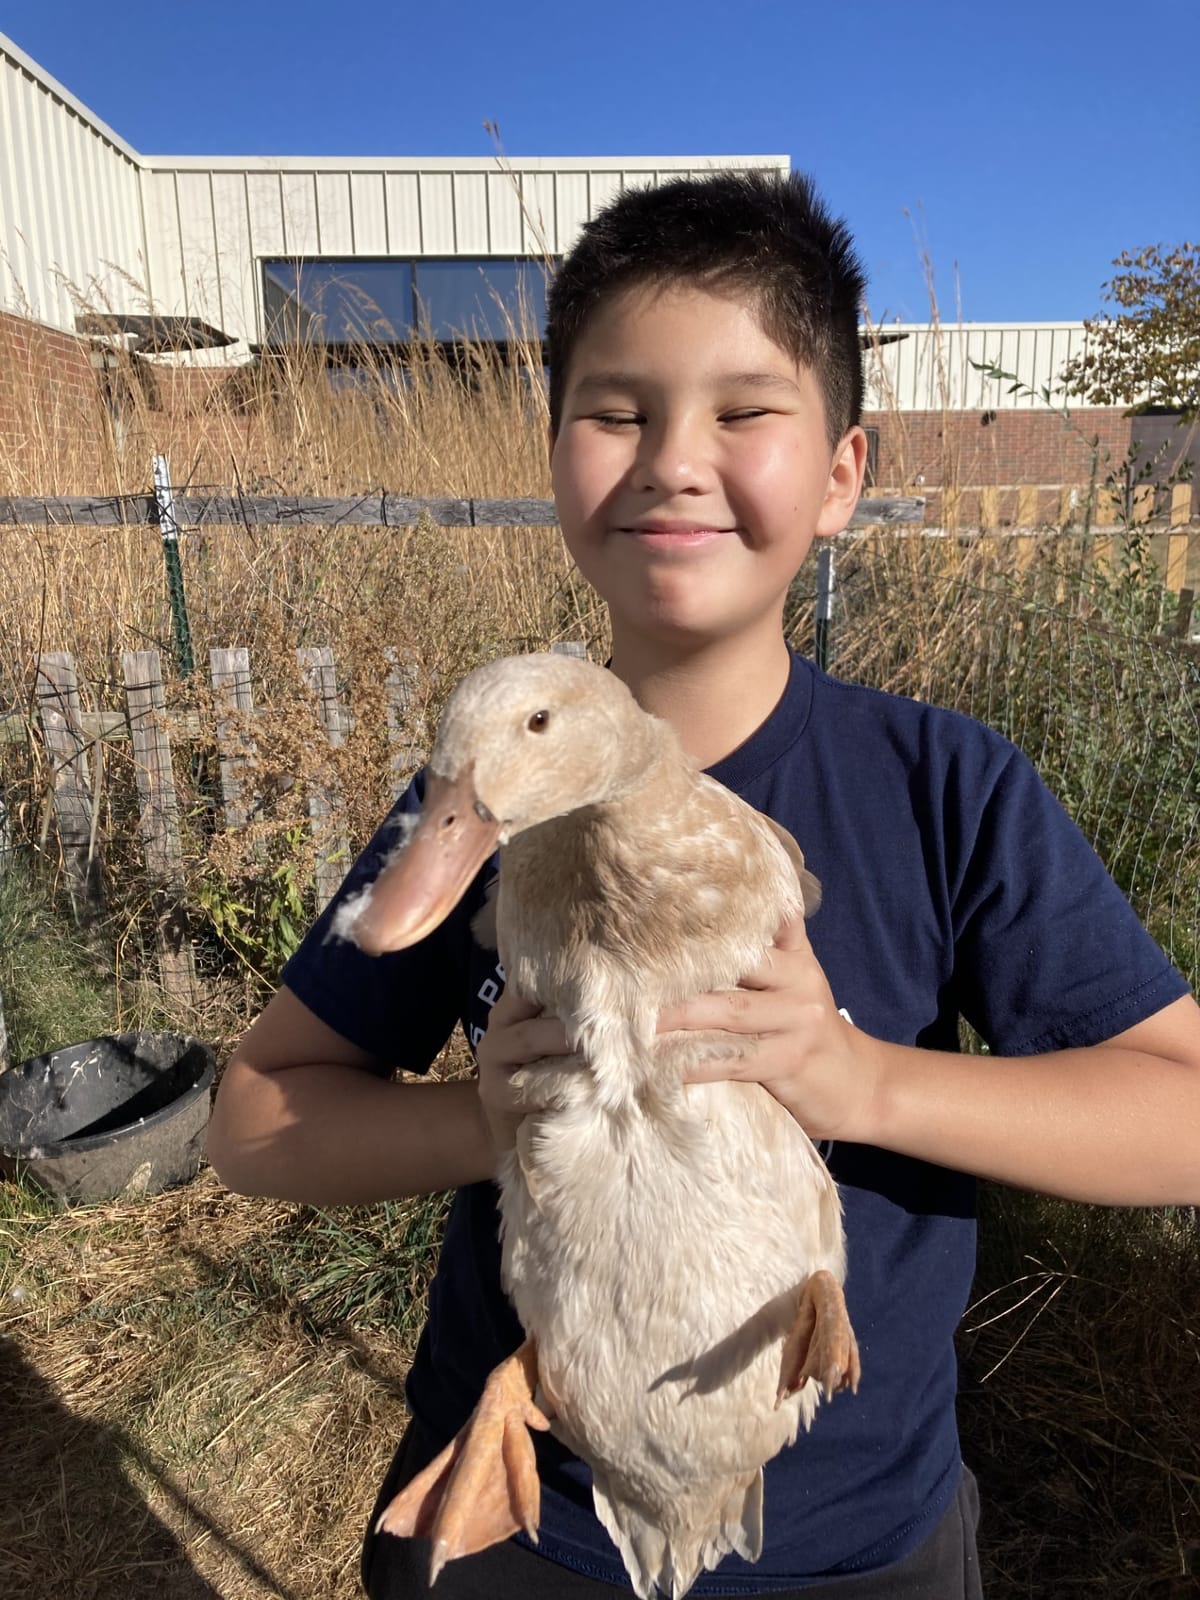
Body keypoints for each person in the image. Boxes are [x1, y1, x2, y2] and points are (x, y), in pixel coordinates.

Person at [207, 170, 1200, 1599]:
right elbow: (254, 1126)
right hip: (538, 1528)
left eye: (743, 412)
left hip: (853, 1542)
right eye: (617, 411)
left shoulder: (946, 789)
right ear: (555, 459)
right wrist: (487, 1117)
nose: (675, 459)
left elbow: (1179, 1118)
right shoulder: (497, 792)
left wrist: (863, 1082)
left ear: (843, 474)